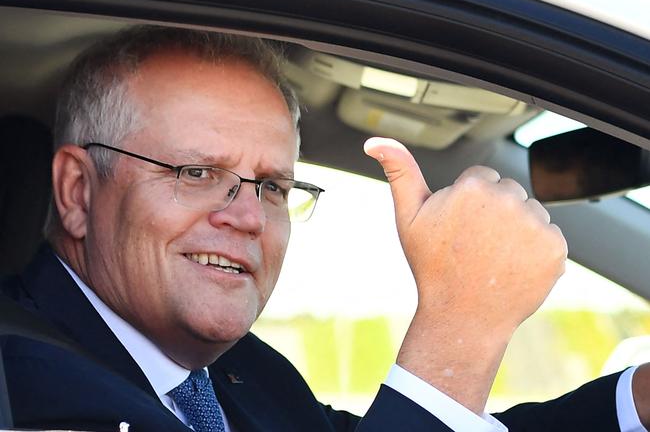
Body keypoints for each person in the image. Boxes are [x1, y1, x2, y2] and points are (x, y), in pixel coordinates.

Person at [1, 25, 647, 431]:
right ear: (78, 191)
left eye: (274, 186)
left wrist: (636, 403)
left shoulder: (240, 376)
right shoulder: (21, 387)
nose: (249, 216)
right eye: (196, 172)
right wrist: (460, 326)